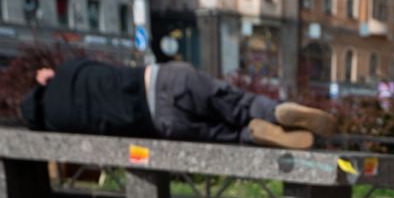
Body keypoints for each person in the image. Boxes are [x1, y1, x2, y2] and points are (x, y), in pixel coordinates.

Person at [21, 56, 335, 149]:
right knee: (235, 102)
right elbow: (91, 67)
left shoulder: (59, 119)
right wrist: (53, 75)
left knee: (219, 134)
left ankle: (251, 134)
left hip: (162, 124)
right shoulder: (68, 71)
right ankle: (271, 111)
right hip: (164, 81)